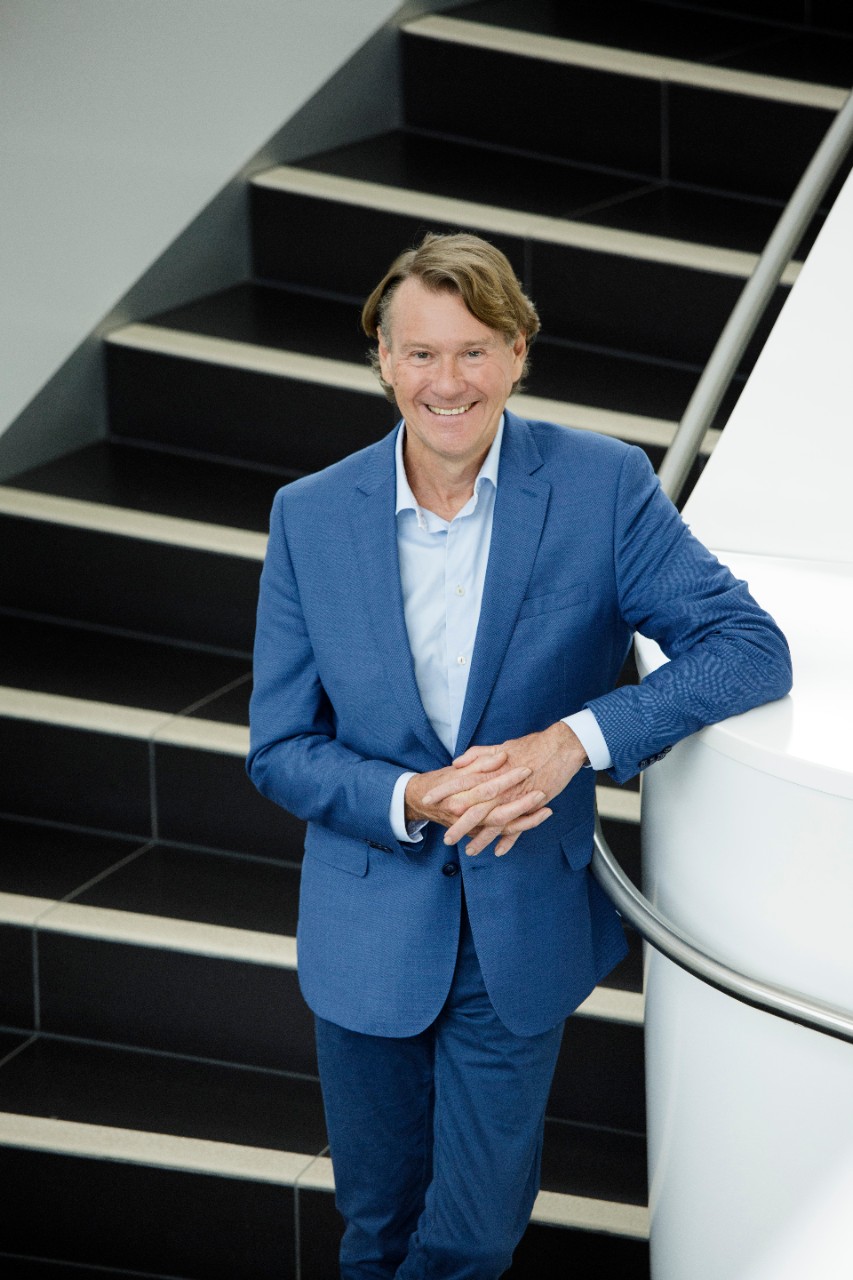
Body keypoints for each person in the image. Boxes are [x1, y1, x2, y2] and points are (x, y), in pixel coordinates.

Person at [247, 232, 792, 1278]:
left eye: (472, 351)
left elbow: (746, 648)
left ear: (516, 352)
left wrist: (571, 743)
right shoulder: (309, 517)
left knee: (468, 1236)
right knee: (376, 1225)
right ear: (381, 360)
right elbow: (280, 749)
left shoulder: (601, 486)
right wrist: (409, 793)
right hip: (368, 924)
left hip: (518, 929)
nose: (446, 382)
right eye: (419, 353)